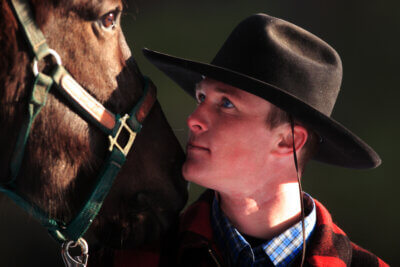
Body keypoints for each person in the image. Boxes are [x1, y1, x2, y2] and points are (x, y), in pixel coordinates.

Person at [126, 13, 387, 266]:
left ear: (288, 141)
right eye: (201, 98)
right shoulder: (131, 260)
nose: (193, 118)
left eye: (226, 103)